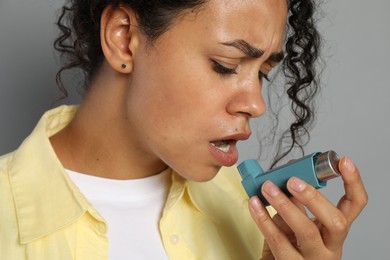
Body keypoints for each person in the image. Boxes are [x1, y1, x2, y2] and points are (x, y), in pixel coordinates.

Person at [0, 0, 368, 259]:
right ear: (124, 38)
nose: (256, 105)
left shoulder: (259, 222)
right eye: (226, 65)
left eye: (263, 74)